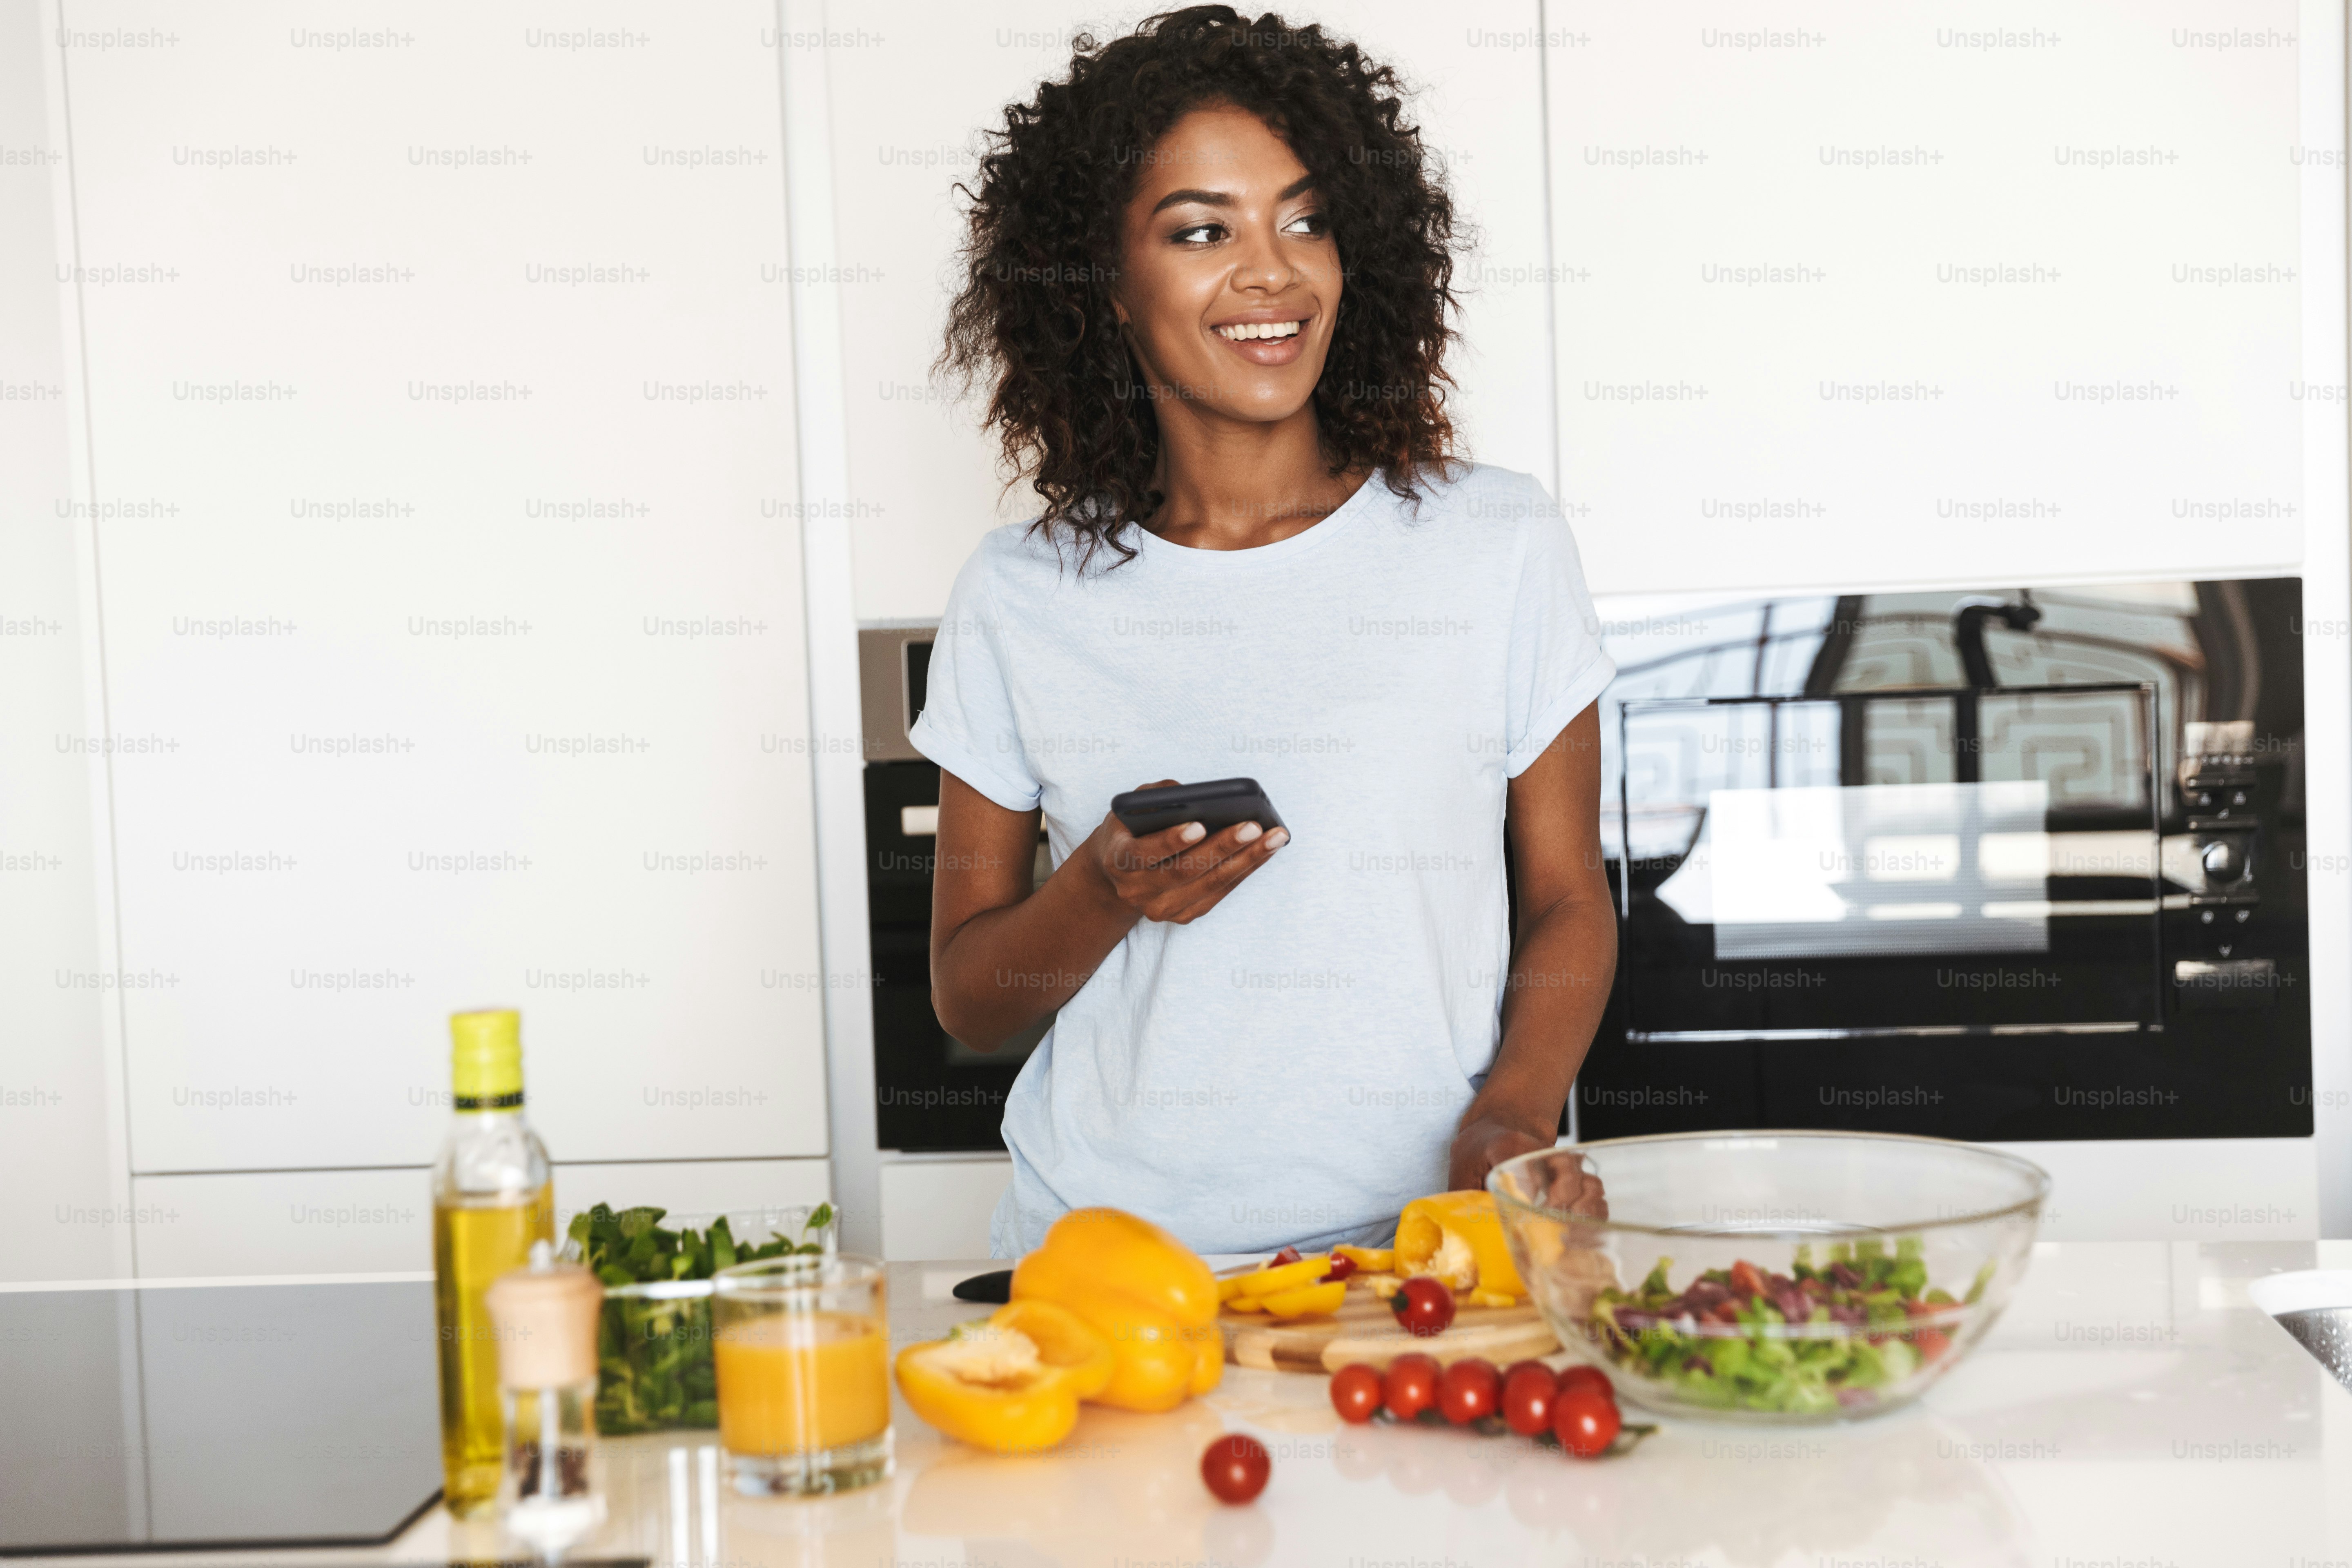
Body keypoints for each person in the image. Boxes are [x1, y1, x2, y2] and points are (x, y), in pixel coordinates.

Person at [911, 6, 1617, 1258]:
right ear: (1109, 291)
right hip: (1109, 1265)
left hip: (1414, 1255)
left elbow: (1567, 900)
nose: (1272, 272)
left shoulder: (1494, 545)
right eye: (1202, 231)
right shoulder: (1018, 596)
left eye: (1306, 219)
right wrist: (1102, 892)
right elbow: (972, 1000)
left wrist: (1511, 1117)